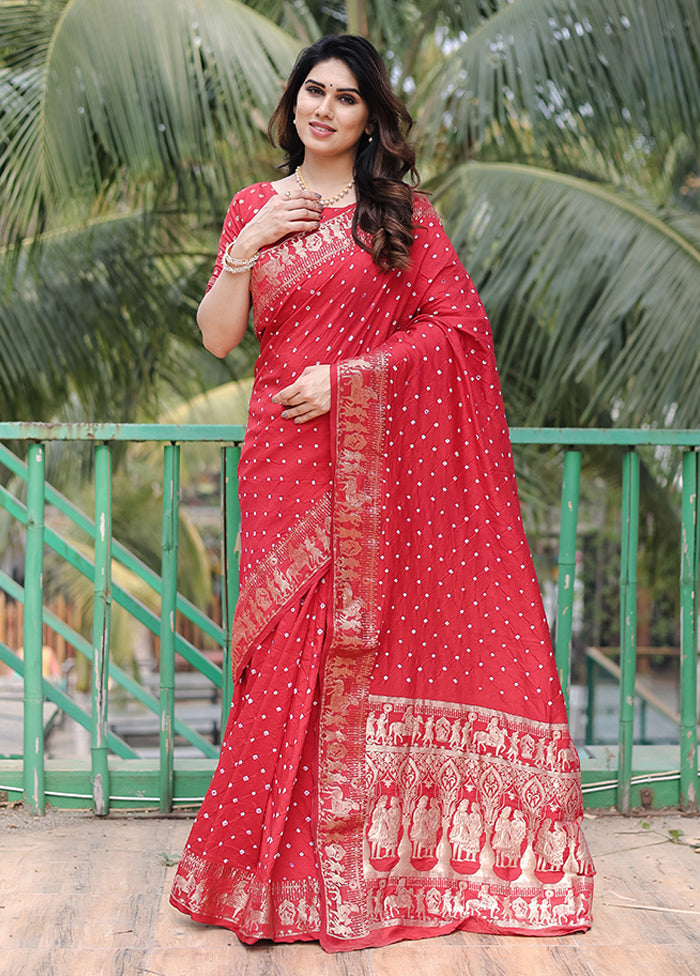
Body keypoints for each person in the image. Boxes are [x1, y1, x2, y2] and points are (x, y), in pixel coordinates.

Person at [170, 33, 594, 952]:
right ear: (291, 105)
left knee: (344, 657)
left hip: (366, 460)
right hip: (281, 459)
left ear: (370, 119)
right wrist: (245, 247)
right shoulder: (255, 206)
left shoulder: (398, 215)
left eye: (345, 98)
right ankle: (269, 877)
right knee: (281, 655)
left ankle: (348, 877)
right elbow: (216, 339)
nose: (322, 109)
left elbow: (459, 331)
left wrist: (352, 379)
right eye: (311, 92)